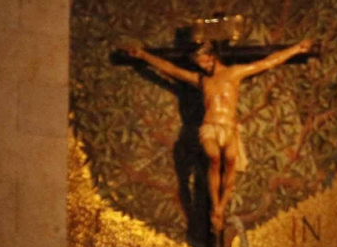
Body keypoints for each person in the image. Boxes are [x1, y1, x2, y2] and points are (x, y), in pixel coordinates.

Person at [123, 38, 314, 231]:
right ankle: (215, 205)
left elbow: (267, 62)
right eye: (199, 64)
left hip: (229, 128)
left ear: (211, 56)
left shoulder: (235, 73)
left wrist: (297, 48)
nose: (202, 66)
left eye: (203, 61)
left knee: (230, 160)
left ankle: (221, 207)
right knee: (214, 158)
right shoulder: (202, 80)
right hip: (210, 127)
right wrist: (143, 55)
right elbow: (171, 70)